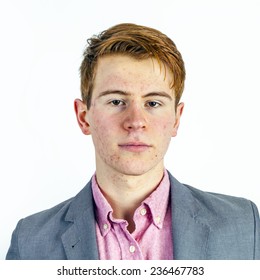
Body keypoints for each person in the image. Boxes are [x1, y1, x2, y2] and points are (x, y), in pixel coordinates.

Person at [6, 23, 260, 260]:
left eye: (153, 103)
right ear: (84, 117)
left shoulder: (245, 225)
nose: (136, 121)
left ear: (176, 119)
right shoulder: (29, 242)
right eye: (116, 101)